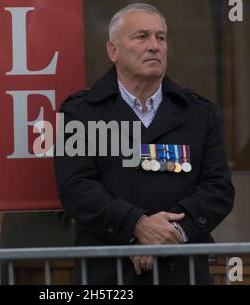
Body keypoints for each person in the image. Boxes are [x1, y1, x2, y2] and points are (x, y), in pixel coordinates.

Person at [54, 3, 234, 285]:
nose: (154, 46)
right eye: (141, 37)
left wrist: (169, 233)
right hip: (110, 277)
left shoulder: (198, 113)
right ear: (113, 50)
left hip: (182, 271)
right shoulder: (82, 113)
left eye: (160, 38)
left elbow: (218, 189)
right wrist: (136, 226)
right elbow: (77, 187)